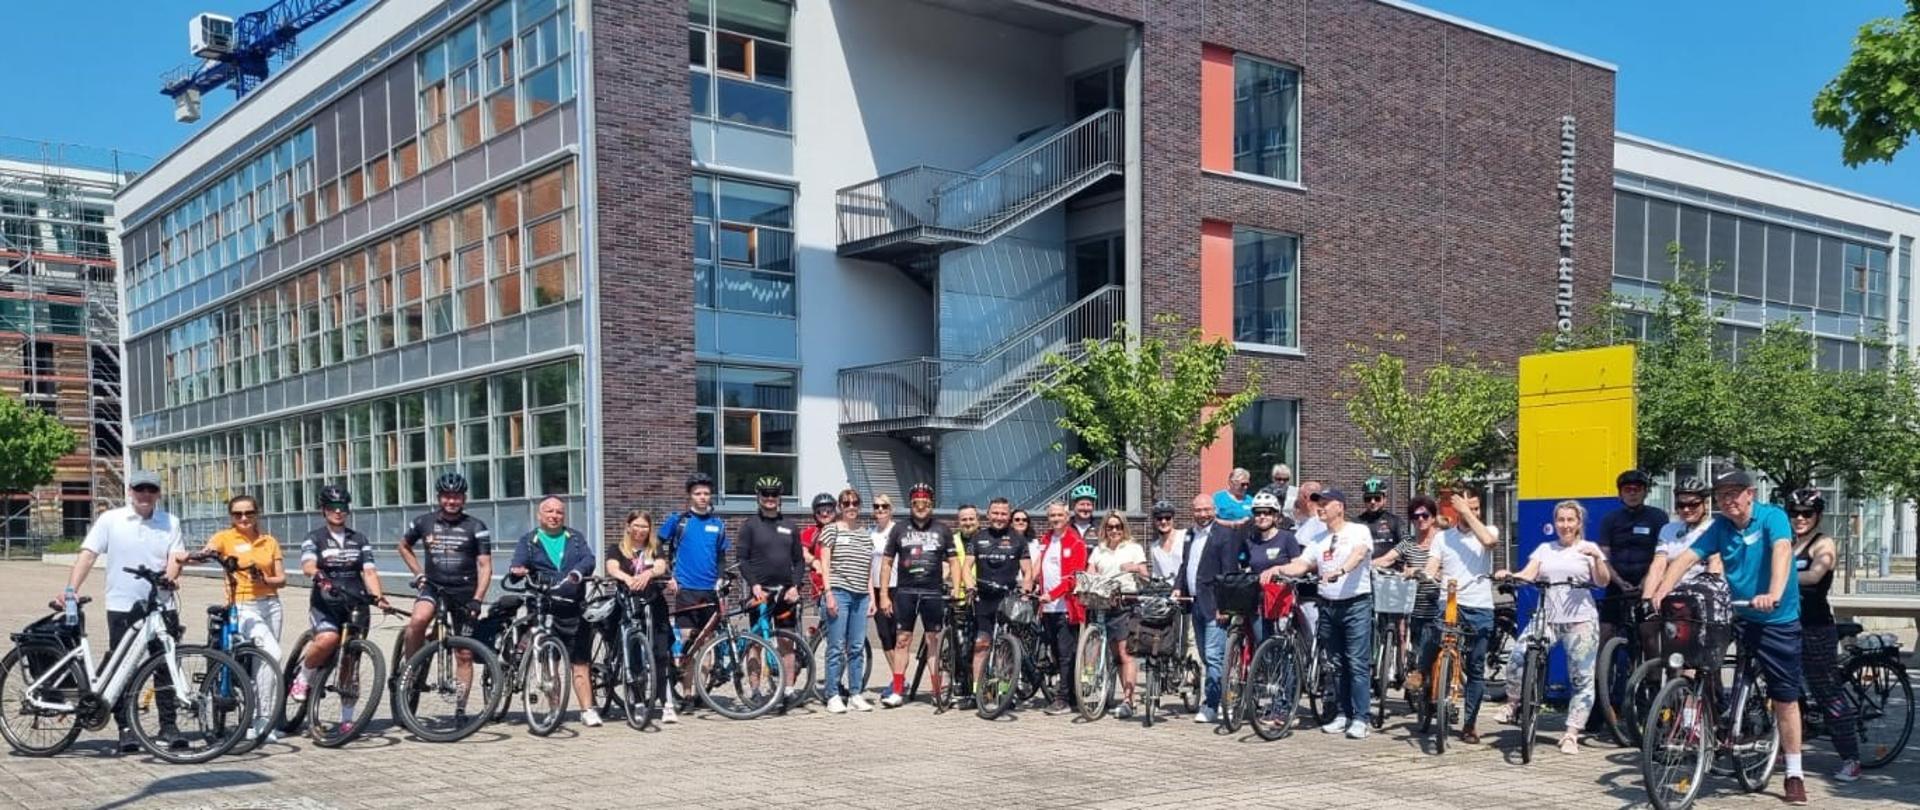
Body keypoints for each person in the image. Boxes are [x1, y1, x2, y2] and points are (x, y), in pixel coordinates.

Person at [1646, 467, 1808, 806]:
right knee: (1697, 657)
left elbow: (1780, 551)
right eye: (1722, 496)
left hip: (1774, 615)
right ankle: (1706, 724)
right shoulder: (1719, 527)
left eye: (1735, 493)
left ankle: (1794, 772)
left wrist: (1773, 592)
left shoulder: (1772, 517)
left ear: (1750, 494)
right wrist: (1661, 592)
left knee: (1784, 696)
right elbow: (1686, 558)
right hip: (1734, 610)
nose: (1728, 500)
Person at [65, 470, 187, 753]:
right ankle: (126, 728)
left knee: (165, 665)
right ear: (130, 491)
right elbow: (88, 554)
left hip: (161, 605)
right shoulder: (111, 520)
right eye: (140, 489)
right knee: (124, 667)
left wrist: (170, 578)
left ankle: (169, 727)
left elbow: (175, 558)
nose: (146, 494)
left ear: (158, 493)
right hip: (122, 604)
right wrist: (71, 588)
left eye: (151, 490)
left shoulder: (170, 522)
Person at [1493, 500, 1609, 755]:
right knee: (1519, 654)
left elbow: (1602, 581)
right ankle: (1513, 703)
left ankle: (1571, 733)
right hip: (1547, 617)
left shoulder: (1588, 548)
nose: (1565, 525)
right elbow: (1528, 573)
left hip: (1581, 620)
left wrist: (1598, 559)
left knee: (1581, 678)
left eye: (1570, 520)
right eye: (1561, 520)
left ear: (1579, 523)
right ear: (1555, 522)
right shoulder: (1545, 549)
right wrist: (1509, 575)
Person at [1271, 489, 1374, 739]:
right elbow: (1302, 564)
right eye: (1319, 504)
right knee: (1336, 664)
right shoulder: (1319, 539)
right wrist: (1278, 568)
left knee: (1357, 663)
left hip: (1355, 604)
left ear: (1340, 507)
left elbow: (1359, 555)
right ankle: (1342, 713)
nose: (1321, 508)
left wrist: (1340, 571)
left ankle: (1361, 718)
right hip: (1327, 605)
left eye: (1326, 504)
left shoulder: (1358, 531)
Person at [292, 485, 391, 736]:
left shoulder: (359, 539)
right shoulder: (314, 537)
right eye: (334, 508)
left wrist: (379, 597)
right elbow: (308, 565)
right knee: (328, 639)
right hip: (326, 602)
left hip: (355, 602)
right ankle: (303, 676)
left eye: (343, 508)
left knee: (350, 662)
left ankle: (348, 719)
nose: (339, 512)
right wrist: (318, 574)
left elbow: (368, 571)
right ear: (324, 510)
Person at [396, 472, 491, 720]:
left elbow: (485, 566)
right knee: (418, 620)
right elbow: (403, 546)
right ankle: (412, 668)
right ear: (439, 497)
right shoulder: (423, 522)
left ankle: (460, 708)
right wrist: (418, 574)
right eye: (447, 496)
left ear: (464, 498)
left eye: (456, 496)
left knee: (464, 653)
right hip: (433, 587)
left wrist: (478, 598)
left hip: (464, 592)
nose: (451, 501)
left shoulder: (476, 527)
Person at [194, 493, 287, 742]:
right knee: (272, 654)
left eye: (249, 513)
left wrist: (266, 580)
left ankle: (261, 719)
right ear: (231, 517)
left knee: (264, 664)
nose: (243, 518)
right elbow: (209, 550)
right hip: (243, 605)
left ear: (257, 514)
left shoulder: (269, 541)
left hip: (271, 604)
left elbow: (282, 579)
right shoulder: (225, 538)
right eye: (237, 514)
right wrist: (201, 554)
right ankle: (261, 720)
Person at [1786, 488, 1861, 782]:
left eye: (1807, 513)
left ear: (1818, 516)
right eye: (1795, 513)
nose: (1800, 518)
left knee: (1827, 691)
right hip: (1786, 623)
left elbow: (1816, 574)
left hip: (1815, 626)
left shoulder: (1823, 543)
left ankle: (1851, 758)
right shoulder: (1787, 543)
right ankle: (1790, 744)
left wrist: (1776, 576)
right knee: (1786, 689)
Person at [1421, 485, 1501, 745]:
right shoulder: (1444, 538)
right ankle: (1421, 673)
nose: (1471, 512)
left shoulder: (1488, 532)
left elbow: (1489, 542)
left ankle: (1470, 724)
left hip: (1480, 605)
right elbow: (1434, 564)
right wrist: (1426, 574)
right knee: (1432, 632)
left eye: (1477, 507)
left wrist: (1468, 513)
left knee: (1476, 666)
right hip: (1451, 599)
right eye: (1467, 507)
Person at [508, 497, 599, 725]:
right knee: (550, 662)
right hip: (543, 608)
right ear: (540, 515)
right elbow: (517, 564)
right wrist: (517, 570)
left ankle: (587, 710)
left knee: (580, 663)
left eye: (559, 512)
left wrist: (578, 572)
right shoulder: (529, 541)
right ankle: (554, 709)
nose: (554, 515)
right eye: (549, 511)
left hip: (572, 608)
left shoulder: (575, 538)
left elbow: (589, 559)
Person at [878, 483, 955, 707]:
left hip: (932, 592)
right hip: (905, 592)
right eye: (916, 503)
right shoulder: (899, 529)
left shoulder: (943, 529)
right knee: (902, 640)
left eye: (925, 503)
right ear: (910, 504)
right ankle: (898, 690)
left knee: (933, 640)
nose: (921, 507)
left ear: (931, 505)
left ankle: (936, 689)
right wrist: (884, 594)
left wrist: (957, 587)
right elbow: (886, 563)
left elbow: (953, 562)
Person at [737, 476, 807, 705]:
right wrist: (754, 584)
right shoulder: (750, 526)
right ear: (758, 497)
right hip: (761, 593)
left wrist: (795, 586)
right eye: (765, 494)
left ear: (780, 498)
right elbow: (742, 559)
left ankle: (787, 689)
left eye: (774, 494)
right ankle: (756, 690)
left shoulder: (790, 526)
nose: (769, 498)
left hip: (785, 593)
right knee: (756, 642)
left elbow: (799, 561)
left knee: (787, 642)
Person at [660, 471, 730, 700]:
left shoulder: (717, 524)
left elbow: (721, 556)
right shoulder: (679, 521)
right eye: (698, 493)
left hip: (709, 590)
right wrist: (668, 575)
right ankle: (687, 694)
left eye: (706, 493)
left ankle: (701, 693)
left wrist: (721, 578)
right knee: (688, 644)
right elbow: (656, 545)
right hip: (686, 590)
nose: (702, 497)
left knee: (707, 645)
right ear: (689, 496)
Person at [604, 510, 676, 723]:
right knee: (633, 654)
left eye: (645, 526)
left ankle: (667, 703)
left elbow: (661, 565)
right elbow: (612, 567)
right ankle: (637, 701)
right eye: (636, 525)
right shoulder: (617, 549)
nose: (640, 530)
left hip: (655, 605)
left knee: (661, 654)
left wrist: (648, 573)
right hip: (629, 604)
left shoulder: (654, 548)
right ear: (628, 526)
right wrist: (628, 578)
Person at [1175, 493, 1236, 723]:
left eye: (1206, 510)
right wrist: (1178, 587)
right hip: (1195, 603)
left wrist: (1225, 606)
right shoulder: (1190, 534)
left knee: (1213, 656)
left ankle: (1212, 704)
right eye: (1198, 510)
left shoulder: (1225, 535)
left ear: (1214, 510)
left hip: (1214, 605)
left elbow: (1228, 573)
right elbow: (1186, 564)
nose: (1202, 514)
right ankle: (1220, 699)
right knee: (1204, 656)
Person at [967, 497, 1033, 706]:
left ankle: (1003, 692)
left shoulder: (1018, 539)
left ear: (1009, 515)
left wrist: (1026, 588)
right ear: (988, 514)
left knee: (1006, 649)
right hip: (984, 598)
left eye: (1003, 514)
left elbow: (1027, 570)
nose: (999, 517)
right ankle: (978, 692)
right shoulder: (978, 538)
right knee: (981, 645)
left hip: (1008, 600)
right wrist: (969, 585)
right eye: (995, 513)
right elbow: (966, 567)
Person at [818, 488, 877, 714]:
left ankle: (855, 693)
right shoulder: (831, 530)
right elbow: (825, 564)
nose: (850, 507)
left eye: (854, 503)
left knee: (856, 647)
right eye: (846, 503)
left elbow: (867, 569)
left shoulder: (865, 534)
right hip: (839, 592)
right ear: (840, 507)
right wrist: (829, 593)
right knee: (836, 646)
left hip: (861, 595)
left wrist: (871, 596)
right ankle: (832, 693)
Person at [1089, 510, 1151, 718]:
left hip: (1125, 602)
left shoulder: (1133, 548)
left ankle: (1128, 700)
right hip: (1104, 602)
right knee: (1114, 655)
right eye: (1110, 527)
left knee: (1125, 654)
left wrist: (1134, 567)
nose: (1114, 530)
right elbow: (1091, 571)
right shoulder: (1099, 550)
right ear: (1104, 529)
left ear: (1123, 528)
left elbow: (1145, 575)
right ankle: (1109, 694)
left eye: (1118, 526)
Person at [1377, 496, 1441, 697]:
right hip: (1414, 604)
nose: (1420, 520)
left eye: (1425, 515)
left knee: (1436, 649)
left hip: (1437, 602)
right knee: (1417, 646)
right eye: (1415, 516)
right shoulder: (1409, 543)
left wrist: (1419, 571)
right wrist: (1365, 565)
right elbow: (1388, 559)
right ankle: (1416, 679)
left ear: (1433, 517)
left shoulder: (1443, 540)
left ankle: (1441, 692)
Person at [1596, 469, 1668, 640]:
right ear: (1620, 493)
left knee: (1647, 633)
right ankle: (1604, 667)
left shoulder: (1658, 517)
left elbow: (1662, 554)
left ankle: (1653, 667)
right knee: (1605, 633)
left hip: (1648, 583)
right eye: (1628, 490)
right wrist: (1620, 583)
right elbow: (1603, 556)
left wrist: (1646, 582)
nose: (1632, 494)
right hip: (1617, 584)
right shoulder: (1610, 519)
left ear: (1645, 492)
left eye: (1637, 489)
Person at [1032, 500, 1087, 715]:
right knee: (1055, 653)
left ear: (1068, 516)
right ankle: (1069, 695)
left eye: (1059, 516)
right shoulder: (1046, 539)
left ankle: (1063, 698)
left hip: (1066, 606)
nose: (1055, 519)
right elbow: (1039, 568)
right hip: (1047, 608)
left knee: (1066, 654)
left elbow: (1074, 578)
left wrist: (1052, 594)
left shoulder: (1076, 542)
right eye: (1052, 516)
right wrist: (1030, 585)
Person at [1644, 476, 1723, 593]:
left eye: (1693, 505)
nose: (1686, 509)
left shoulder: (1717, 528)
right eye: (1681, 505)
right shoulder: (1668, 529)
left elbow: (1715, 565)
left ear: (1705, 504)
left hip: (1703, 595)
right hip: (1671, 595)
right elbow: (1658, 565)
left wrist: (1707, 596)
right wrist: (1647, 597)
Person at [1243, 492, 1303, 642]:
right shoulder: (1251, 541)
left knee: (1280, 643)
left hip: (1280, 598)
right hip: (1257, 600)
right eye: (1257, 513)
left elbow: (1297, 564)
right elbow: (1245, 567)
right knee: (1262, 643)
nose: (1262, 516)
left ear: (1275, 516)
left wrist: (1280, 572)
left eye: (1267, 512)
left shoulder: (1287, 538)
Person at [869, 493, 901, 704]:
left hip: (896, 587)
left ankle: (899, 680)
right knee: (884, 636)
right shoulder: (869, 534)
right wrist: (873, 595)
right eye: (876, 506)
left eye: (884, 506)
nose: (880, 510)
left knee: (899, 636)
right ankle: (897, 678)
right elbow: (866, 566)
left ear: (891, 509)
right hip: (878, 588)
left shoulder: (897, 531)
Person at [1355, 478, 1410, 562]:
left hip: (1390, 571)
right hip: (1364, 571)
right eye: (1368, 498)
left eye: (1377, 498)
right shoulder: (1355, 523)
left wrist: (1382, 560)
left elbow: (1406, 543)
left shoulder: (1395, 521)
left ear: (1384, 499)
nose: (1372, 502)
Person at [800, 492, 837, 611]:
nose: (825, 513)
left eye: (829, 510)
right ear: (815, 513)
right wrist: (815, 562)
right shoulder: (810, 532)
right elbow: (803, 552)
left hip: (843, 582)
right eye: (820, 510)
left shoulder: (841, 529)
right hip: (821, 585)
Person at [1146, 500, 1185, 580]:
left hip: (1187, 590)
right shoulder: (1154, 548)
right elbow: (1157, 575)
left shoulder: (1184, 536)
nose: (1163, 522)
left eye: (1168, 518)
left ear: (1173, 519)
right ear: (1154, 521)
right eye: (1159, 518)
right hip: (1168, 591)